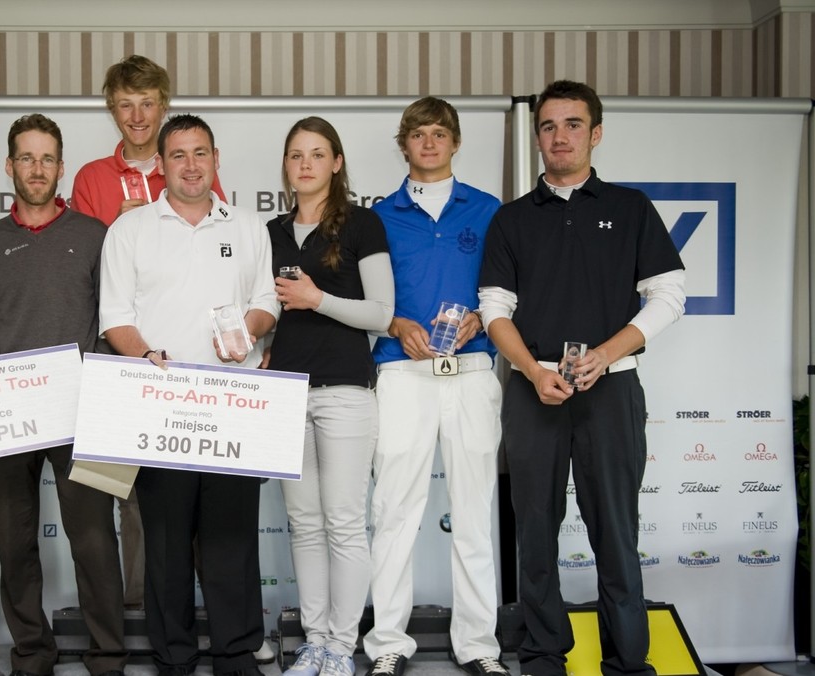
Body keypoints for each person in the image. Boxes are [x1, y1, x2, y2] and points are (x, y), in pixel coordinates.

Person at [478, 80, 685, 676]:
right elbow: (495, 307)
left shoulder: (630, 207)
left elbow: (669, 296)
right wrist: (530, 371)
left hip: (611, 387)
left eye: (572, 124)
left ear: (594, 133)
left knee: (615, 530)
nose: (560, 136)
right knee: (535, 531)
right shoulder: (512, 219)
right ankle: (544, 656)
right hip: (533, 389)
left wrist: (605, 352)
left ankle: (627, 660)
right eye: (548, 126)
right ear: (537, 136)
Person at [98, 113, 277, 676]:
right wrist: (146, 356)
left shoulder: (248, 226)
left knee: (231, 540)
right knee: (168, 544)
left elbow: (267, 301)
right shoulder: (129, 231)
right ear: (162, 165)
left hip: (231, 405)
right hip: (161, 404)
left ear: (216, 160)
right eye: (178, 155)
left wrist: (247, 330)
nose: (191, 165)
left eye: (201, 153)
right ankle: (172, 655)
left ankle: (236, 652)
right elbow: (115, 319)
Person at [0, 114, 128, 676]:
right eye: (26, 158)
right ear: (10, 167)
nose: (37, 168)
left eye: (47, 158)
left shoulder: (94, 235)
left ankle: (107, 654)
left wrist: (101, 382)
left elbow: (111, 320)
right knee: (16, 542)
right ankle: (32, 652)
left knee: (96, 542)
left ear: (61, 167)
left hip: (84, 411)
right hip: (10, 412)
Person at [362, 97, 508, 676]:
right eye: (418, 134)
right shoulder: (379, 216)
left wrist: (482, 316)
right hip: (401, 371)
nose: (429, 142)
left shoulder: (490, 211)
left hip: (472, 370)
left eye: (439, 133)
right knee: (394, 511)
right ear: (404, 144)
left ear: (455, 142)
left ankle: (479, 647)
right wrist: (395, 322)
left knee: (474, 513)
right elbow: (374, 301)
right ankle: (388, 644)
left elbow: (505, 292)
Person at [265, 117, 393, 676]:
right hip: (287, 392)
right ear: (287, 166)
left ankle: (342, 646)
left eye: (318, 154)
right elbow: (265, 312)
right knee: (305, 524)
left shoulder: (362, 225)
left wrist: (317, 298)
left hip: (344, 390)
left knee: (343, 522)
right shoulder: (270, 231)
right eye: (297, 155)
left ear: (337, 163)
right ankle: (314, 641)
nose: (307, 164)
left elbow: (382, 315)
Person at [72, 54, 225, 228]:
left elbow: (222, 233)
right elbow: (84, 253)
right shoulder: (90, 178)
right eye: (126, 105)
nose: (137, 117)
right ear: (113, 111)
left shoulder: (192, 170)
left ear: (164, 109)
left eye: (147, 104)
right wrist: (117, 229)